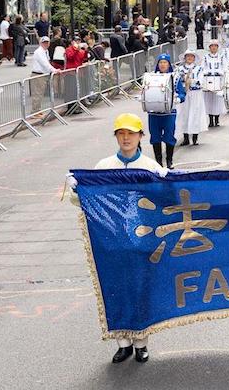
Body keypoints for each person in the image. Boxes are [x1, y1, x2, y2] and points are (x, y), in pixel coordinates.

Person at [66, 113, 167, 364]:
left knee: (140, 289)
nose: (126, 138)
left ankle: (142, 342)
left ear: (140, 136)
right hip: (110, 240)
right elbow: (82, 201)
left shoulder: (151, 167)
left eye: (131, 133)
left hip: (141, 241)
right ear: (116, 136)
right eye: (121, 133)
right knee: (115, 288)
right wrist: (77, 188)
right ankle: (123, 343)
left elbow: (167, 198)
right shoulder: (104, 166)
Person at [147, 54, 185, 168]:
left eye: (165, 62)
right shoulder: (151, 77)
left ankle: (169, 161)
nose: (163, 64)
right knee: (155, 137)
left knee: (169, 136)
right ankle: (158, 162)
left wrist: (179, 98)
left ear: (169, 64)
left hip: (169, 112)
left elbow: (182, 93)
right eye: (161, 62)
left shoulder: (174, 78)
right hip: (154, 113)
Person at [175, 50, 207, 146]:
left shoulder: (199, 69)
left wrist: (191, 81)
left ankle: (195, 137)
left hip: (195, 93)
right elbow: (176, 80)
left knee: (195, 113)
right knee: (184, 114)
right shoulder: (179, 69)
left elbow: (201, 81)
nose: (189, 58)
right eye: (187, 56)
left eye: (191, 56)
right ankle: (185, 138)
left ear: (194, 58)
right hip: (185, 94)